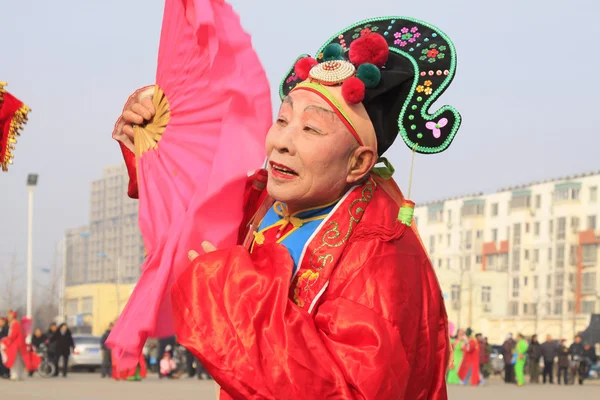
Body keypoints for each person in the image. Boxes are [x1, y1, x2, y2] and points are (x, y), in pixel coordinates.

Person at [111, 8, 462, 399]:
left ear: (358, 162)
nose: (281, 141)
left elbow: (347, 390)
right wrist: (154, 135)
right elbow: (193, 198)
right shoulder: (269, 202)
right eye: (282, 120)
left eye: (310, 128)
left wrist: (236, 300)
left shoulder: (381, 251)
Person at [0, 311, 27, 380]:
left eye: (9, 317)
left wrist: (5, 341)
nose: (7, 318)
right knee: (17, 360)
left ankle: (15, 375)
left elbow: (13, 335)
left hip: (15, 345)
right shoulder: (15, 324)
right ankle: (18, 375)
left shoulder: (15, 324)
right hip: (17, 344)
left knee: (14, 360)